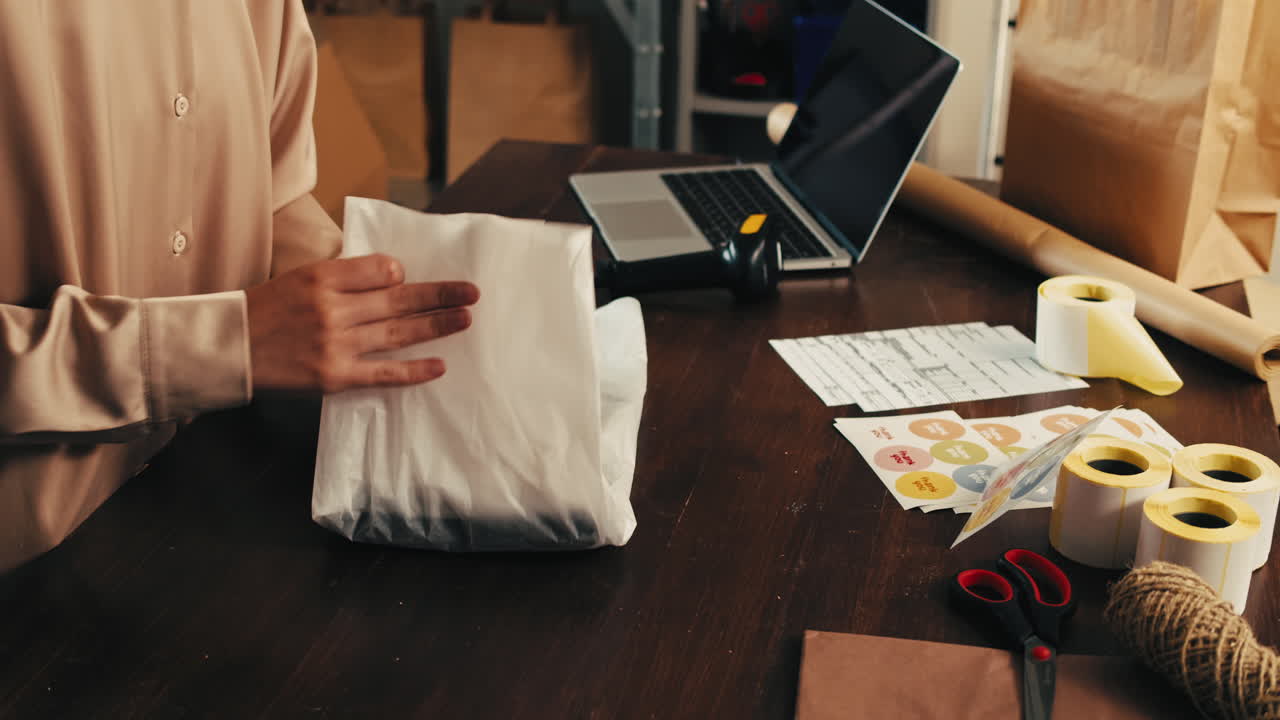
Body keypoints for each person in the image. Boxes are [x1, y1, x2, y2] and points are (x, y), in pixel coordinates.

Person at [0, 1, 478, 572]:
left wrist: (388, 313)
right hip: (35, 571)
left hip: (208, 499)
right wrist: (215, 347)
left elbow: (272, 192)